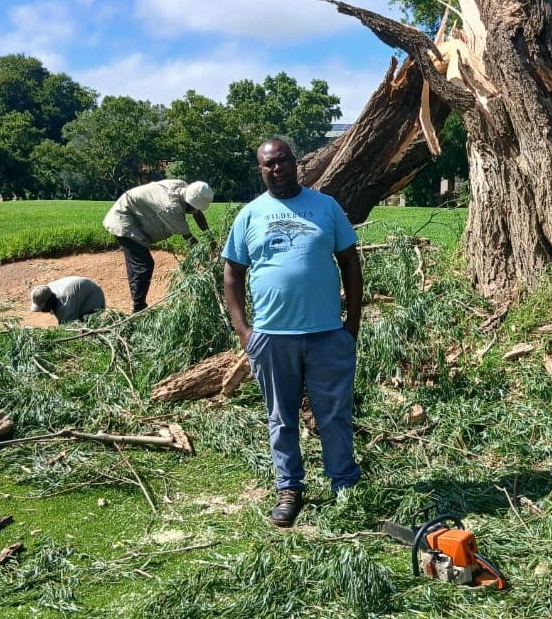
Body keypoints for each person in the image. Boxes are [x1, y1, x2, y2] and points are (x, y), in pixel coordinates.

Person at [223, 138, 362, 528]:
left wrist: (351, 323)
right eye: (269, 163)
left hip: (327, 334)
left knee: (334, 414)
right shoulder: (250, 215)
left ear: (295, 162)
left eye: (282, 160)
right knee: (281, 418)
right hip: (271, 337)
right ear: (261, 170)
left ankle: (344, 483)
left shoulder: (326, 207)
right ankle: (289, 489)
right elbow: (232, 273)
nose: (277, 168)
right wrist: (244, 331)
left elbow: (350, 263)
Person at [103, 179, 214, 313]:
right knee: (143, 264)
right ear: (189, 203)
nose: (196, 211)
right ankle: (139, 309)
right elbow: (190, 240)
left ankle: (137, 301)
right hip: (122, 219)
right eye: (196, 208)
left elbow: (197, 213)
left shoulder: (183, 188)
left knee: (137, 263)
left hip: (134, 214)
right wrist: (208, 261)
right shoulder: (171, 207)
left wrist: (211, 239)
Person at [30, 276, 106, 324]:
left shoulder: (65, 303)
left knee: (87, 322)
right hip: (77, 291)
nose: (42, 310)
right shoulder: (46, 290)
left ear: (49, 302)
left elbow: (67, 326)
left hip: (92, 295)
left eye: (43, 307)